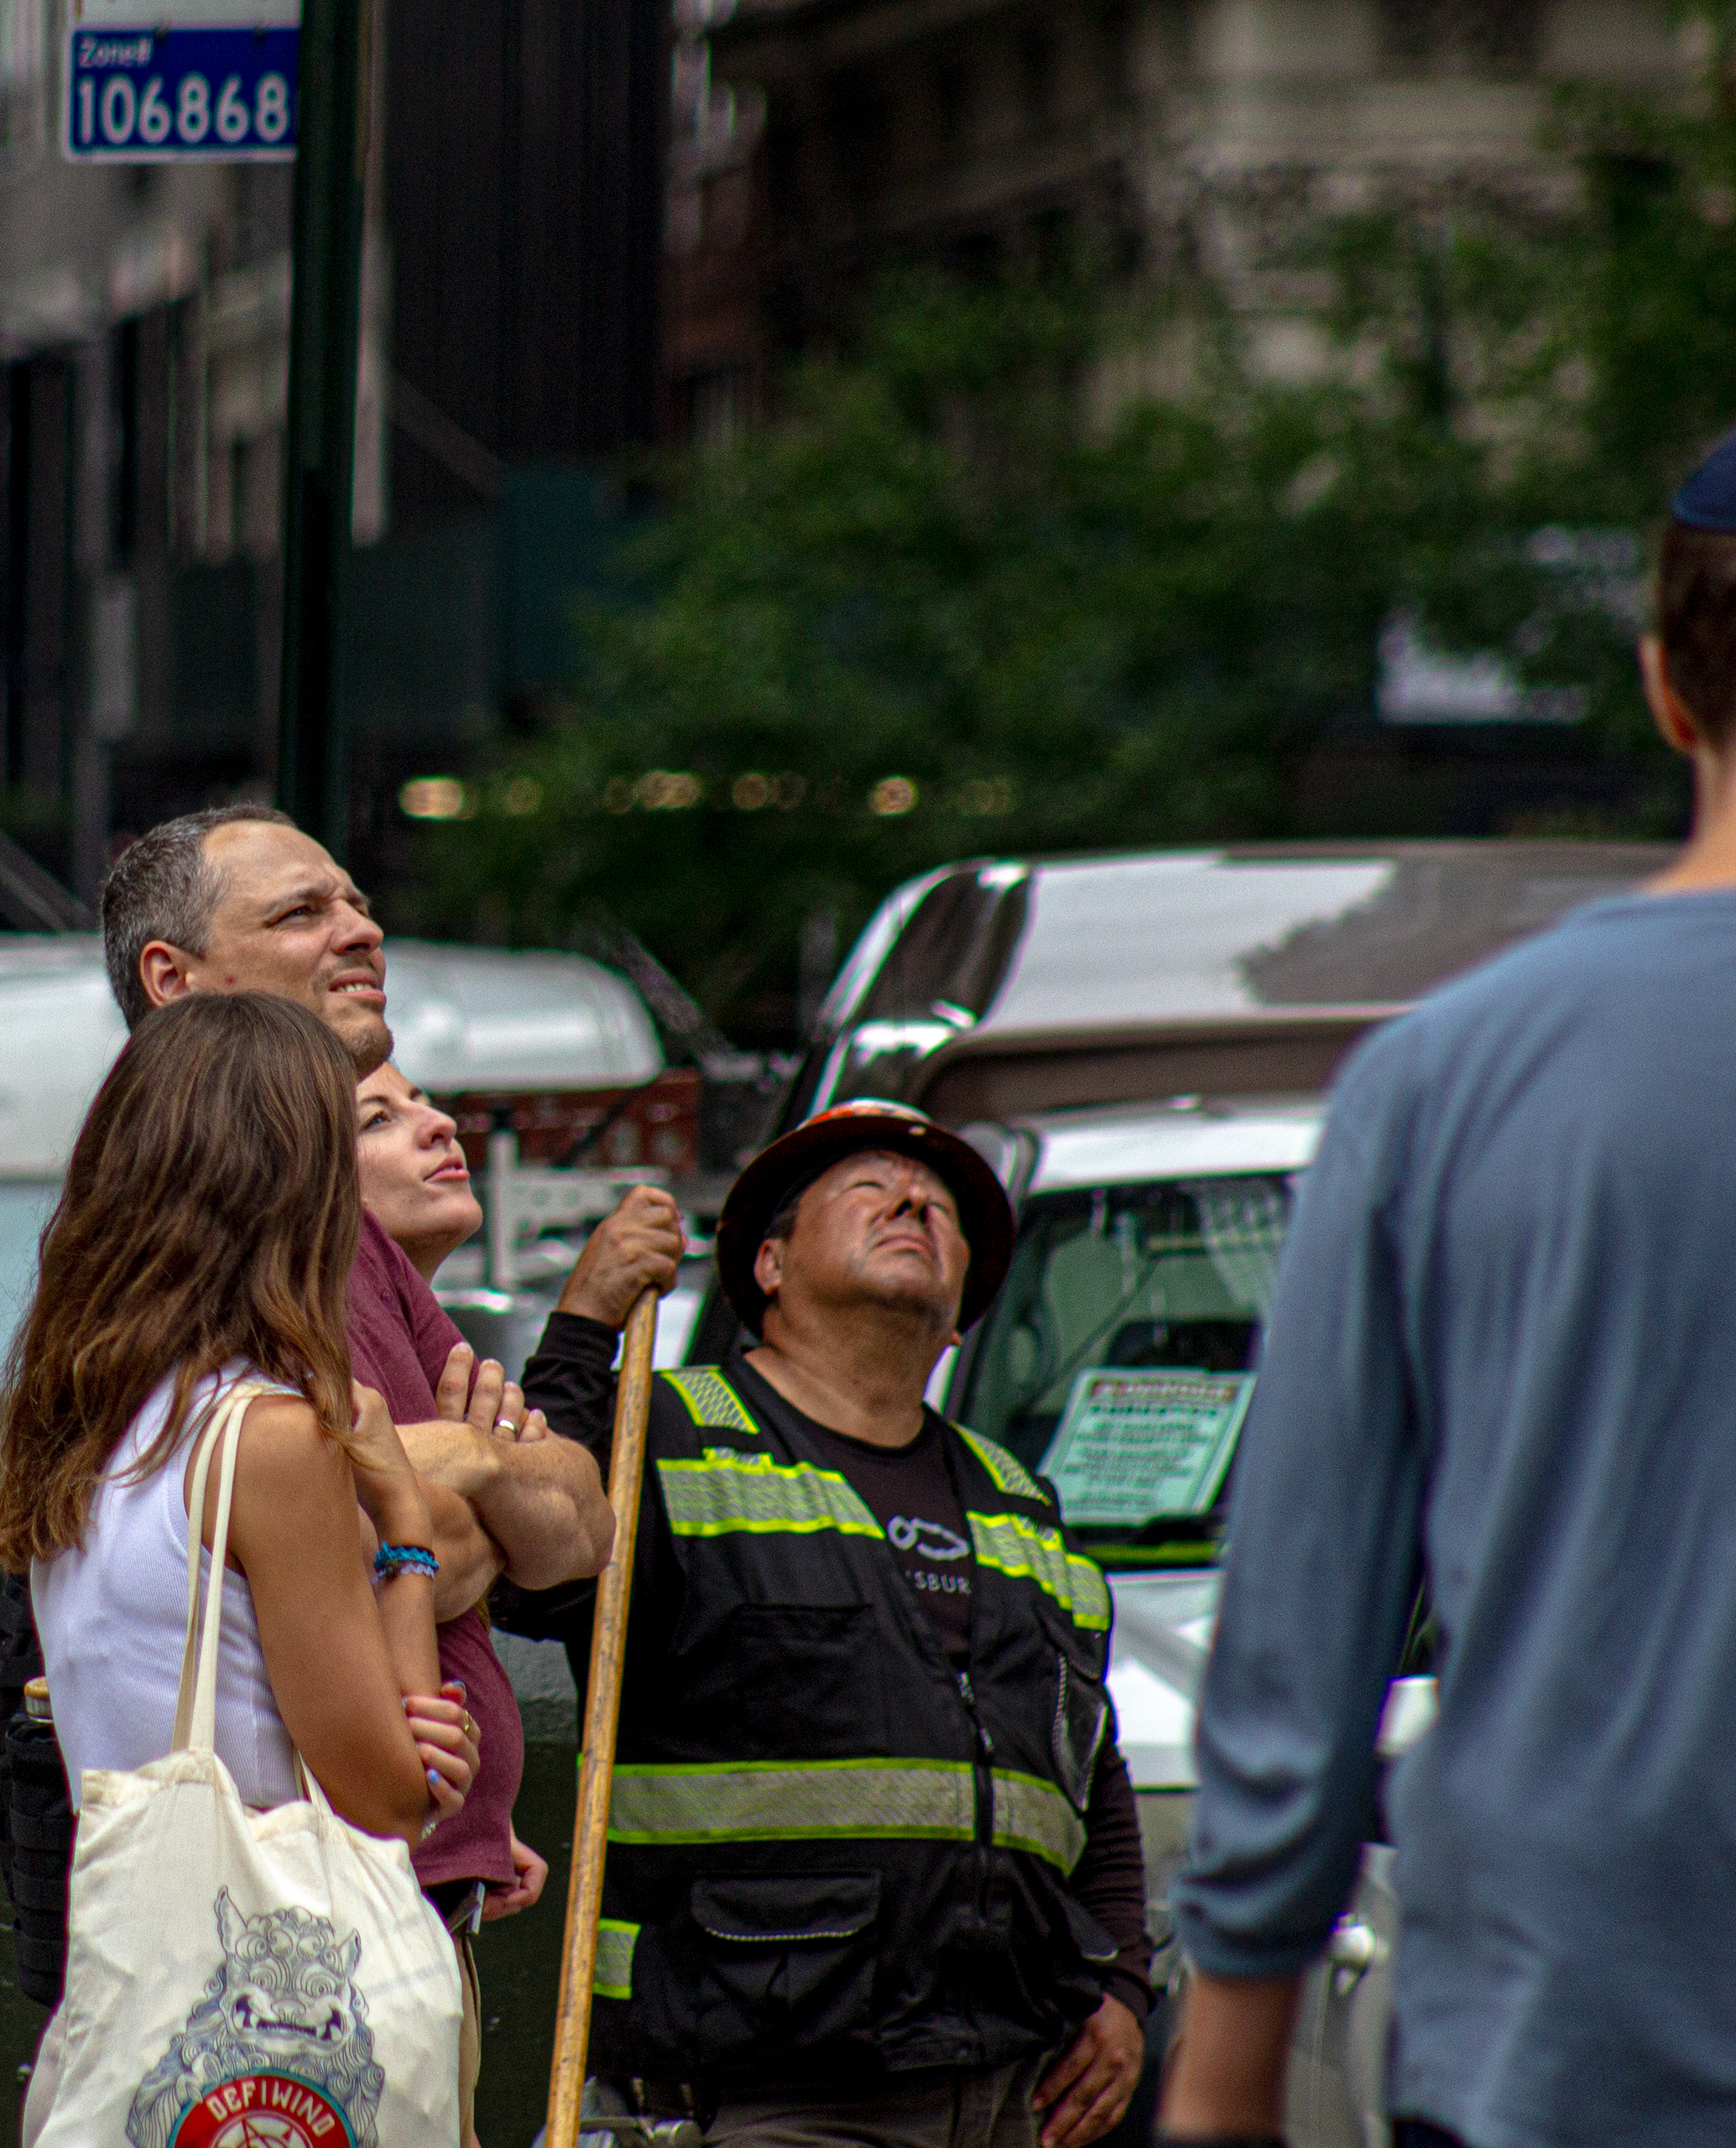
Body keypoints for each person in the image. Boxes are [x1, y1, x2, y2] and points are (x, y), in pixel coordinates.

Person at [1154, 441, 1736, 2148]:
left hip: (1568, 2005)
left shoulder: (1447, 1076)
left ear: (1663, 682)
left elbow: (1304, 1613)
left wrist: (1230, 2059)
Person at [104, 805, 617, 2127]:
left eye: (355, 900)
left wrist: (441, 1481)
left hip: (393, 1919)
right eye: (301, 913)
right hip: (276, 1962)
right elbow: (361, 1543)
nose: (363, 930)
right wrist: (433, 1498)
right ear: (174, 981)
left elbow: (578, 1528)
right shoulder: (189, 1245)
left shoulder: (350, 1234)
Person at [587, 1102, 1149, 2148]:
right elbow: (529, 1586)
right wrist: (583, 1322)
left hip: (1007, 2092)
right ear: (769, 1265)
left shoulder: (1018, 1500)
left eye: (939, 1204)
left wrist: (1121, 1978)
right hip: (760, 2093)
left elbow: (1090, 1773)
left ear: (963, 1315)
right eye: (869, 1187)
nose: (912, 1200)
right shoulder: (661, 1432)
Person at [0, 995, 477, 2116]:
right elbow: (389, 1795)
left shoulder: (79, 1426)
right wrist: (400, 1518)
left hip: (133, 2006)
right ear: (293, 1194)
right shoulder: (271, 1440)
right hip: (277, 2031)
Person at [351, 1062, 692, 1931]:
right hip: (358, 1903)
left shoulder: (427, 1336)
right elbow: (404, 1556)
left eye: (426, 1101)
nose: (441, 1127)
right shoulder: (300, 1310)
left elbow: (584, 1526)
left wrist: (477, 1461)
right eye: (378, 1120)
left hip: (438, 1892)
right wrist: (491, 1491)